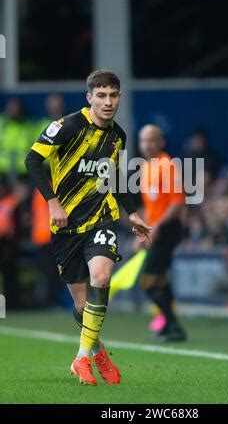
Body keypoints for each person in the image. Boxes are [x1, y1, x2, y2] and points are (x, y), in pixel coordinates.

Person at [25, 69, 151, 386]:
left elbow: (116, 176)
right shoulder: (67, 126)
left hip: (101, 218)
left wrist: (132, 213)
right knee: (83, 308)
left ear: (119, 97)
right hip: (66, 228)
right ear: (89, 97)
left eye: (113, 95)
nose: (108, 102)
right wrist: (53, 202)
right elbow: (32, 160)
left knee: (102, 276)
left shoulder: (117, 136)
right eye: (102, 95)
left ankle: (80, 357)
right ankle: (98, 354)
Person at [138, 124, 186, 342]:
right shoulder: (146, 167)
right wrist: (144, 231)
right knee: (159, 280)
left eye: (151, 140)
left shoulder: (168, 165)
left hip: (168, 229)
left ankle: (173, 324)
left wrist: (156, 227)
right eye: (143, 141)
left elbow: (177, 203)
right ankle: (170, 326)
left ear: (161, 142)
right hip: (157, 229)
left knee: (148, 281)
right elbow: (152, 208)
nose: (146, 145)